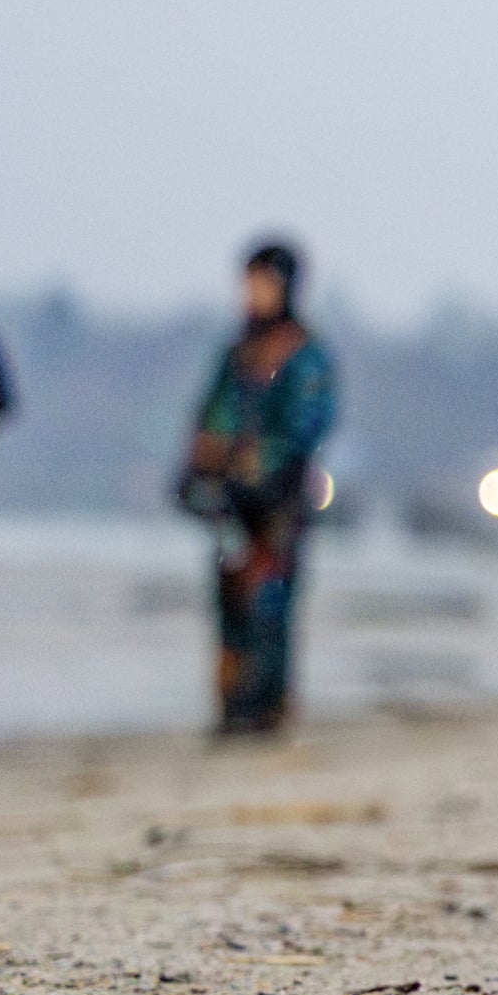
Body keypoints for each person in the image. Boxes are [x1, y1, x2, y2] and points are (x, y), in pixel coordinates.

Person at [180, 237, 336, 736]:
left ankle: (266, 704)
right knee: (229, 590)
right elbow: (212, 414)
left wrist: (262, 465)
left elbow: (304, 426)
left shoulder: (305, 356)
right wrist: (202, 466)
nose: (253, 293)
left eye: (262, 283)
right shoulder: (237, 354)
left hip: (281, 499)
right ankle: (231, 703)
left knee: (270, 597)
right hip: (232, 499)